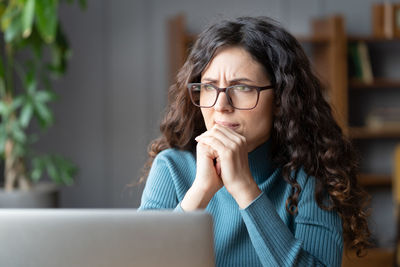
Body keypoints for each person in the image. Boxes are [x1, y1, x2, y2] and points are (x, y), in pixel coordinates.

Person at [138, 16, 370, 266]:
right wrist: (201, 192)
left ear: (281, 100)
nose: (221, 106)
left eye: (242, 88)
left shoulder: (311, 175)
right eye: (209, 87)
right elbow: (138, 261)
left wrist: (244, 188)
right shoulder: (171, 167)